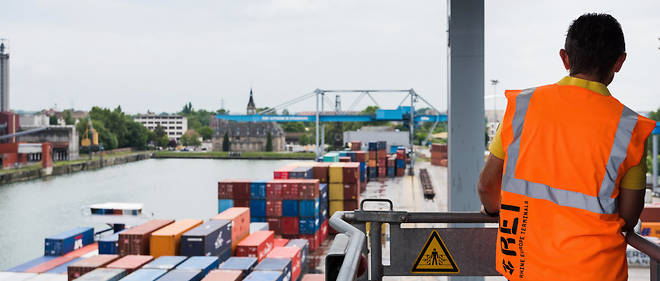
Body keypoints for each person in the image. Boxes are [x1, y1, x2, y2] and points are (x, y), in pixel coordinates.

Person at [477, 13, 656, 281]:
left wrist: (493, 210)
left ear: (565, 58)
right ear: (619, 62)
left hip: (526, 269)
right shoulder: (631, 128)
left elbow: (487, 186)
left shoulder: (522, 108)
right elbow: (628, 217)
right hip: (597, 272)